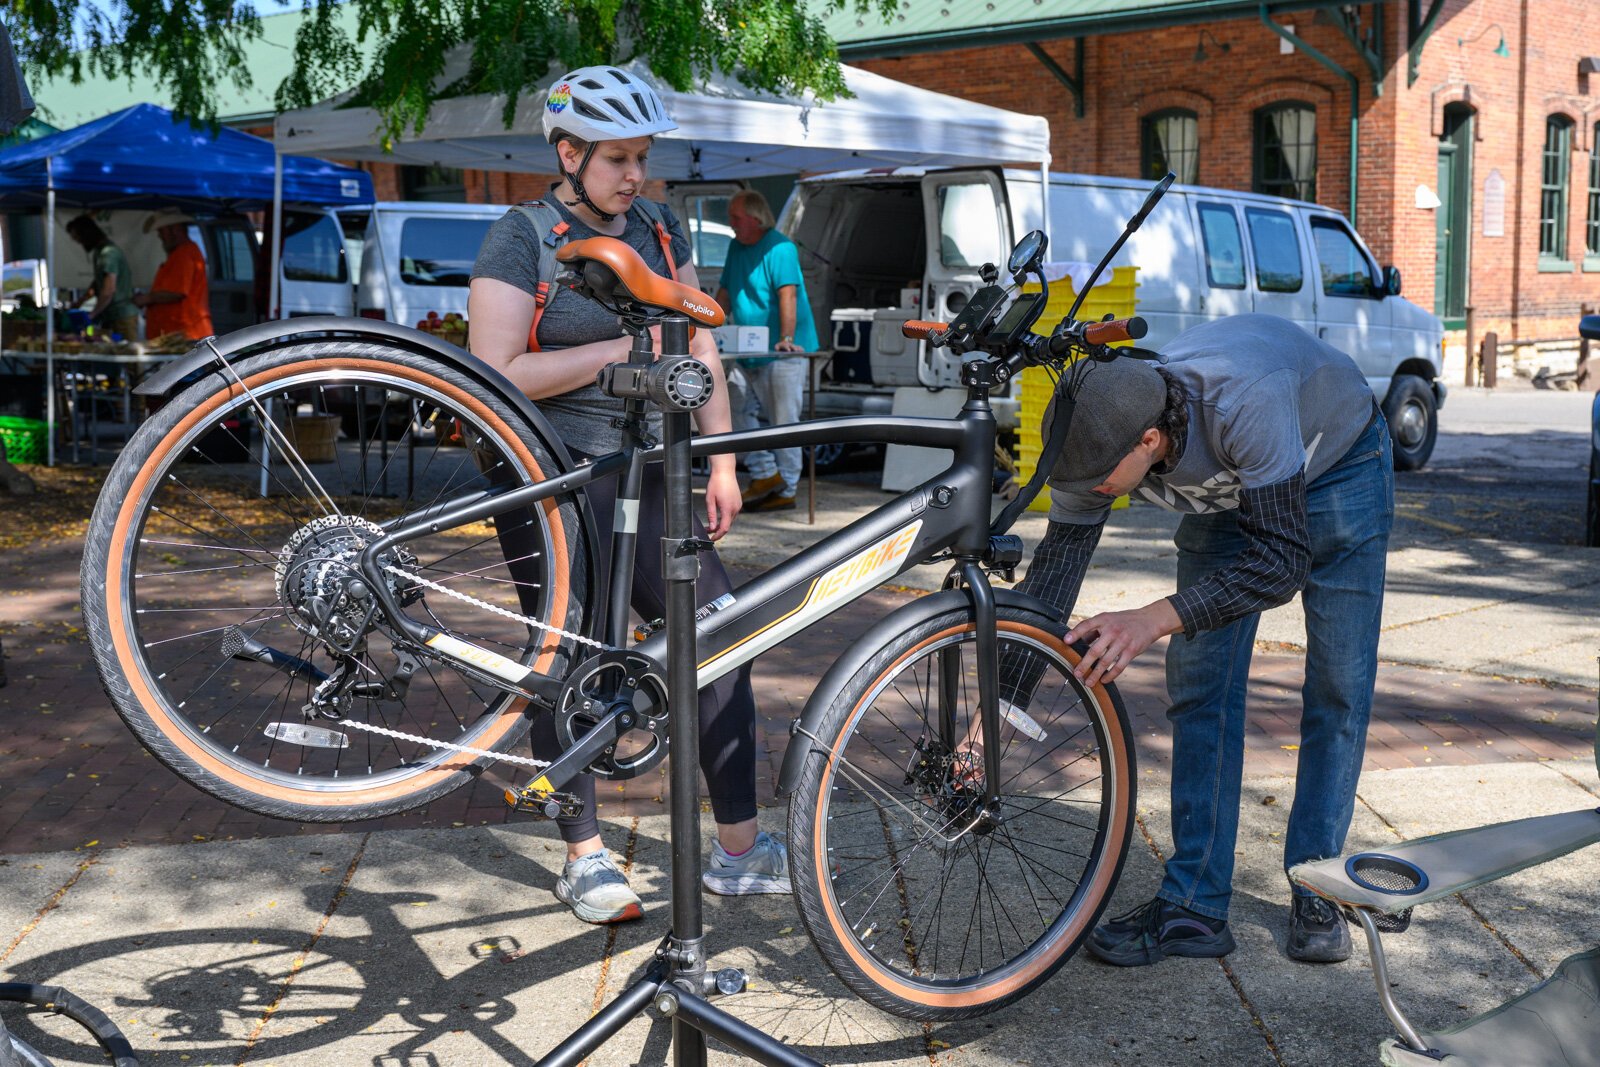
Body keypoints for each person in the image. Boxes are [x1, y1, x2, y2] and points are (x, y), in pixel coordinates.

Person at [468, 66, 789, 925]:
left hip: (648, 466)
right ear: (568, 153)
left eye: (642, 156)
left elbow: (696, 336)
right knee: (567, 651)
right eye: (616, 158)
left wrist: (718, 462)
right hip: (548, 468)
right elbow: (494, 375)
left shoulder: (656, 224)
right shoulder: (521, 236)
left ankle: (740, 848)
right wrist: (618, 352)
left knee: (717, 629)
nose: (634, 174)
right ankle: (585, 856)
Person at [1016, 313, 1394, 967]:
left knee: (1339, 681)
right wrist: (994, 713)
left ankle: (1317, 881)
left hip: (1341, 464)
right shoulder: (1099, 438)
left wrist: (1149, 618)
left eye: (1105, 481)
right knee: (1201, 682)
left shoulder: (1238, 396)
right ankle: (1194, 904)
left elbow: (1280, 563)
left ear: (1152, 437)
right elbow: (1051, 580)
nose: (1096, 494)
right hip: (1232, 490)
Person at [713, 190, 818, 512]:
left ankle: (785, 488)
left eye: (735, 218)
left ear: (756, 220)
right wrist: (706, 325)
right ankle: (765, 474)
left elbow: (788, 294)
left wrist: (786, 336)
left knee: (783, 420)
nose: (731, 225)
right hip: (746, 348)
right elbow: (726, 292)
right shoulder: (736, 246)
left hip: (782, 350)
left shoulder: (780, 247)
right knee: (734, 409)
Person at [134, 209, 212, 341]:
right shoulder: (182, 252)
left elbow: (176, 292)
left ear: (174, 230)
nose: (160, 236)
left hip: (184, 333)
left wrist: (146, 299)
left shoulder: (184, 253)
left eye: (161, 232)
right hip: (179, 333)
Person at [64, 214, 137, 340]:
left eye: (79, 238)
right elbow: (99, 282)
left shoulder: (108, 253)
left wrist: (93, 314)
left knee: (126, 356)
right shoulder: (99, 252)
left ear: (87, 234)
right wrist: (81, 301)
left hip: (121, 317)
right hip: (110, 316)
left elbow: (108, 289)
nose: (80, 243)